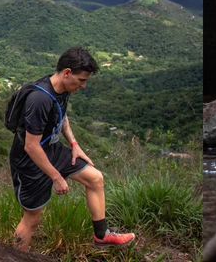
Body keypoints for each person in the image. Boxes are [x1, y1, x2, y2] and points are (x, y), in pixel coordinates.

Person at [9, 47, 136, 249]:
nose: (83, 86)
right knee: (33, 218)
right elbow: (31, 146)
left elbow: (61, 115)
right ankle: (14, 255)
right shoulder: (39, 99)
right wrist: (57, 177)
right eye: (82, 80)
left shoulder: (62, 89)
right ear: (67, 73)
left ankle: (102, 235)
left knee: (95, 178)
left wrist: (74, 144)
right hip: (31, 160)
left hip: (52, 148)